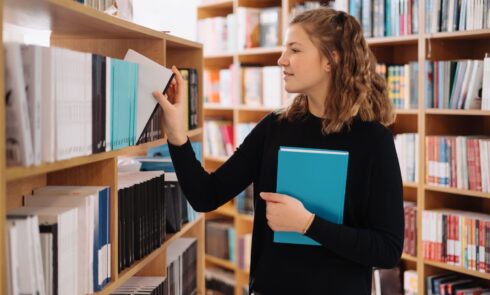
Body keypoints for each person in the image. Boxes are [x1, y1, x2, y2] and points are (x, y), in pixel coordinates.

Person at [153, 7, 404, 295]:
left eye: (295, 50)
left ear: (331, 59)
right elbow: (205, 195)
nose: (281, 59)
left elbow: (387, 250)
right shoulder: (274, 128)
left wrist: (307, 223)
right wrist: (176, 134)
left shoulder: (373, 140)